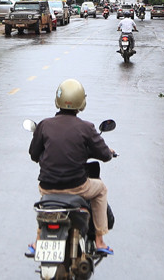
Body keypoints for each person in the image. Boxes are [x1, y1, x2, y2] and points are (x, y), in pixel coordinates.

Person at [28, 79, 115, 255]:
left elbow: (33, 155)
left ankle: (38, 242)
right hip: (77, 187)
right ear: (81, 103)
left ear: (57, 101)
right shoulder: (86, 128)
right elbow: (105, 155)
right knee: (101, 189)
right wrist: (106, 152)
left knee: (47, 208)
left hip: (47, 187)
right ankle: (99, 240)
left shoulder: (44, 125)